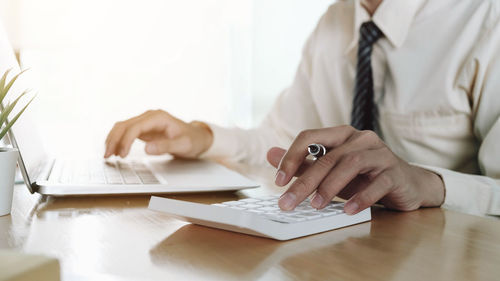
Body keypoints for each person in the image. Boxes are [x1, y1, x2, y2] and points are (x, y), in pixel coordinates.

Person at [104, 0, 500, 217]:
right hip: (351, 249)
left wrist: (428, 183)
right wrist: (203, 138)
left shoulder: (487, 21)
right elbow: (283, 145)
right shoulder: (335, 21)